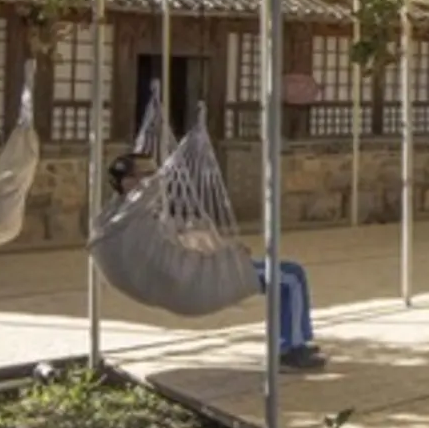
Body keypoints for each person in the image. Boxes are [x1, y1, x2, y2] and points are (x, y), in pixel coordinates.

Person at [106, 153, 327, 371]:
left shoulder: (121, 215)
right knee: (290, 277)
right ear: (127, 182)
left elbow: (176, 249)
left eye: (155, 173)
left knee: (285, 273)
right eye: (146, 174)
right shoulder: (135, 215)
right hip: (195, 284)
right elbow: (182, 260)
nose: (155, 179)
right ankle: (290, 350)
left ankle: (294, 341)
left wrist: (225, 251)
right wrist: (226, 257)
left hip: (188, 279)